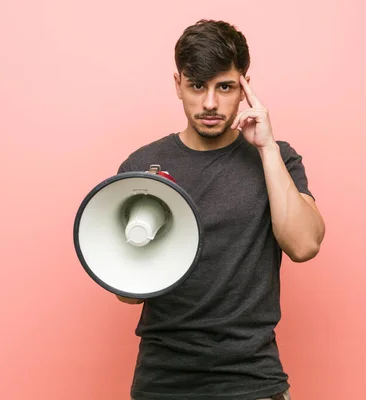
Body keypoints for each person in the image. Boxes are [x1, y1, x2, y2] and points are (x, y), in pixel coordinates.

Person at [115, 19, 325, 400]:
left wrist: (267, 148)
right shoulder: (141, 166)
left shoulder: (278, 159)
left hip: (252, 381)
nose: (210, 103)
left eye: (224, 86)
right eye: (197, 86)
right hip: (162, 382)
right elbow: (127, 294)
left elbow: (304, 245)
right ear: (178, 84)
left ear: (245, 85)